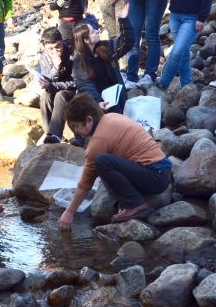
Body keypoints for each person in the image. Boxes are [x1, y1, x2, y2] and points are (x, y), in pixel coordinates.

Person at [58, 93, 172, 230]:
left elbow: (85, 184)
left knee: (101, 161)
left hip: (156, 176)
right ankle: (128, 201)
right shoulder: (111, 117)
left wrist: (69, 212)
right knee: (102, 168)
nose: (76, 132)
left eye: (76, 126)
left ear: (89, 120)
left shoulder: (98, 141)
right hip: (160, 170)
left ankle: (136, 205)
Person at [72, 22, 131, 116]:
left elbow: (127, 42)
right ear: (86, 40)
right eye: (92, 31)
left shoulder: (105, 47)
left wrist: (123, 20)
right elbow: (86, 85)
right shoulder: (79, 61)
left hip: (115, 92)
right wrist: (97, 102)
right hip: (98, 100)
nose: (97, 31)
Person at [36, 27, 75, 144]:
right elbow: (47, 78)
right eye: (50, 49)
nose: (55, 51)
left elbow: (76, 81)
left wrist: (53, 85)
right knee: (44, 97)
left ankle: (56, 136)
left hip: (71, 89)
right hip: (55, 88)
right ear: (44, 47)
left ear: (62, 41)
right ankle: (49, 134)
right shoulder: (45, 56)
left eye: (58, 46)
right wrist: (55, 69)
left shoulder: (72, 52)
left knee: (60, 95)